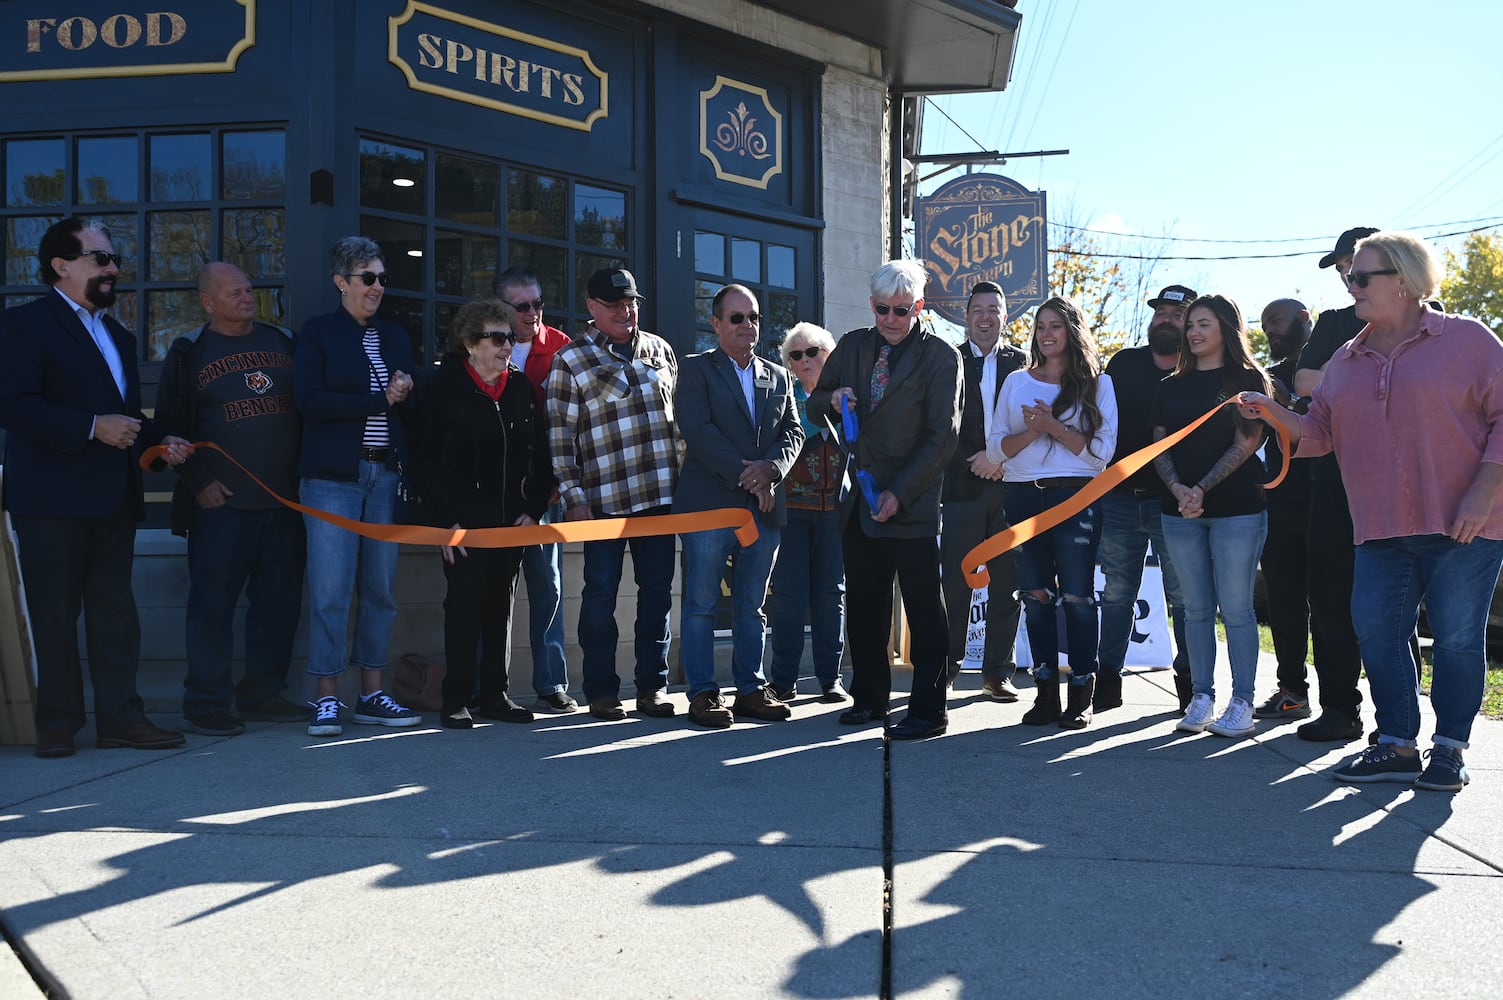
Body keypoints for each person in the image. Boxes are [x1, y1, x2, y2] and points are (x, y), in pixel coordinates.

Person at [1242, 231, 1503, 793]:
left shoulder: (1470, 341)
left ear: (1405, 281)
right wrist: (1273, 412)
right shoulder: (1345, 358)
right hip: (1379, 525)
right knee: (1378, 634)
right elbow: (1318, 436)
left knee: (1457, 639)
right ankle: (1397, 744)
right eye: (1348, 276)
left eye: (1362, 276)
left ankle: (1450, 749)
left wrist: (1485, 490)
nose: (1350, 285)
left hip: (1466, 523)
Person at [0, 217, 193, 758]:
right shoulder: (27, 325)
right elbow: (13, 405)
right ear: (61, 266)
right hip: (51, 500)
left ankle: (120, 718)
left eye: (113, 260)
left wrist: (162, 441)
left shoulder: (120, 335)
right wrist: (89, 427)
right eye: (99, 258)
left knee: (115, 613)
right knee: (54, 613)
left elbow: (127, 418)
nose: (112, 268)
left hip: (112, 498)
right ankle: (58, 724)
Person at [809, 258, 961, 741]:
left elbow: (943, 437)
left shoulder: (941, 357)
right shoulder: (853, 346)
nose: (891, 319)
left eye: (901, 310)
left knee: (925, 613)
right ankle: (870, 699)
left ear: (919, 307)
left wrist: (899, 493)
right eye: (881, 309)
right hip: (859, 502)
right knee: (865, 608)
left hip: (912, 504)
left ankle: (929, 710)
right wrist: (832, 401)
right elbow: (815, 400)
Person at [153, 262, 307, 736]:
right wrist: (200, 483)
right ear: (208, 302)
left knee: (278, 605)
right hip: (221, 506)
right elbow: (167, 428)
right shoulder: (188, 354)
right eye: (236, 292)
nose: (247, 297)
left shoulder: (284, 341)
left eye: (249, 289)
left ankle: (263, 693)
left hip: (284, 503)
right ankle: (205, 703)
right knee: (212, 608)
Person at [293, 236, 421, 737]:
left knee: (380, 589)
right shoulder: (319, 332)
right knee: (329, 592)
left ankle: (372, 692)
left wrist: (406, 396)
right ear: (341, 282)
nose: (377, 287)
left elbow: (408, 407)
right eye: (367, 278)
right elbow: (311, 402)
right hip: (331, 480)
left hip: (383, 475)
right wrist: (379, 399)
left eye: (382, 278)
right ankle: (326, 698)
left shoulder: (394, 335)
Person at [411, 299, 553, 730]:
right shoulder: (441, 387)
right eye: (497, 338)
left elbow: (543, 456)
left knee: (500, 609)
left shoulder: (522, 389)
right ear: (470, 344)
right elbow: (422, 461)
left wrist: (534, 509)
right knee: (464, 609)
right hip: (462, 522)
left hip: (512, 521)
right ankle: (456, 698)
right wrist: (444, 521)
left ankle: (495, 696)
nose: (507, 345)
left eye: (510, 337)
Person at [547, 268, 680, 721]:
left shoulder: (661, 351)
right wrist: (572, 496)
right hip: (602, 501)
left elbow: (678, 427)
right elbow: (559, 439)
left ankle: (653, 688)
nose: (626, 312)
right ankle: (602, 692)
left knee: (657, 595)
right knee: (600, 595)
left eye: (631, 302)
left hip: (661, 497)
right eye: (614, 305)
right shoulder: (570, 360)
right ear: (592, 307)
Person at [674, 284, 803, 727]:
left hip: (763, 509)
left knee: (752, 605)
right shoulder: (695, 370)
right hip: (710, 507)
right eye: (737, 318)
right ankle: (703, 694)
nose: (748, 326)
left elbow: (793, 432)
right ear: (716, 324)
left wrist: (771, 470)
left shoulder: (779, 375)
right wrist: (747, 475)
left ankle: (751, 689)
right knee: (702, 603)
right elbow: (698, 429)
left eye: (754, 318)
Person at [988, 296, 1117, 730]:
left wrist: (1054, 428)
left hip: (1075, 498)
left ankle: (1081, 693)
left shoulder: (1099, 384)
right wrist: (1032, 432)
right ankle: (1044, 694)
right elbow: (996, 448)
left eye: (1055, 326)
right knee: (1036, 598)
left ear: (1072, 331)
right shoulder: (1016, 382)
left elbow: (1100, 456)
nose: (1046, 333)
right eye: (1041, 325)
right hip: (1023, 496)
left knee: (1078, 597)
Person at [1152, 295, 1271, 740]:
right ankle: (1202, 696)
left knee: (1237, 609)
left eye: (1203, 323)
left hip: (1237, 510)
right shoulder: (1169, 385)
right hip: (1179, 510)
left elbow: (1247, 442)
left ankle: (1242, 701)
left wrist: (1202, 488)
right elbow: (1159, 444)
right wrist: (1180, 490)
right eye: (1190, 325)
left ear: (1226, 327)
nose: (1193, 332)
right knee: (1194, 608)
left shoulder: (1248, 380)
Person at [1288, 226, 1379, 743]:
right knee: (1328, 599)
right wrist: (1378, 378)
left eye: (1355, 262)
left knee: (1395, 602)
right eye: (1343, 265)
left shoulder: (1425, 322)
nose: (1347, 273)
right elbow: (1303, 383)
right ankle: (1340, 709)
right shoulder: (1334, 324)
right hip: (1331, 478)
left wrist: (1342, 380)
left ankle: (1399, 721)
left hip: (1397, 485)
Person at [1096, 285, 1196, 713]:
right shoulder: (1124, 363)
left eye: (1176, 313)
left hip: (1173, 503)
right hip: (1118, 497)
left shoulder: (1201, 371)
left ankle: (1193, 687)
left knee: (1184, 597)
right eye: (1160, 312)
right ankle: (1106, 685)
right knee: (1117, 595)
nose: (1165, 320)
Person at [492, 266, 576, 713]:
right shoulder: (483, 345)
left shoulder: (563, 347)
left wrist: (561, 482)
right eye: (521, 306)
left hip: (547, 489)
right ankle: (490, 687)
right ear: (502, 308)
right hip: (495, 489)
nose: (532, 313)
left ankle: (551, 683)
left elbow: (577, 425)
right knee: (491, 589)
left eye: (538, 304)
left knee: (549, 586)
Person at [940, 281, 1026, 701]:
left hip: (1014, 490)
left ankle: (997, 673)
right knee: (956, 583)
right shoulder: (946, 361)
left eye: (994, 308)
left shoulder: (1026, 365)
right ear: (966, 316)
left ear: (1005, 317)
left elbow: (1032, 425)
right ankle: (947, 668)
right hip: (960, 487)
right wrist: (978, 460)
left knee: (1007, 586)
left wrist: (1001, 461)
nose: (986, 316)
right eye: (978, 309)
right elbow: (938, 427)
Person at [766, 322, 849, 703]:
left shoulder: (848, 396)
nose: (804, 360)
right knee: (787, 596)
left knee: (831, 595)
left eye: (812, 351)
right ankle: (782, 681)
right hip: (790, 512)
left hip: (836, 511)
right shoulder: (782, 399)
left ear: (828, 355)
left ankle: (830, 680)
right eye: (794, 355)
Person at [1251, 298, 1314, 722]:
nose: (1270, 330)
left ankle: (1342, 702)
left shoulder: (1332, 366)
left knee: (1331, 607)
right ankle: (1292, 691)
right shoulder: (1266, 376)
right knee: (1285, 604)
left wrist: (1282, 399)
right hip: (1280, 502)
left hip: (1329, 501)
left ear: (1304, 319)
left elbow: (1316, 422)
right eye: (1265, 325)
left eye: (1276, 321)